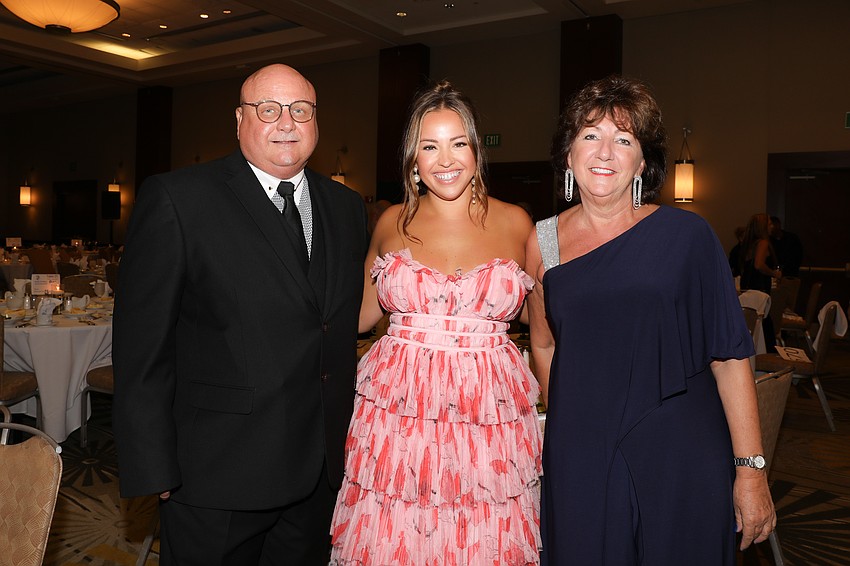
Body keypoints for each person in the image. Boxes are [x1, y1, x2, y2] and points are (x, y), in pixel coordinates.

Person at [112, 64, 369, 564]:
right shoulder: (179, 199)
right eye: (268, 110)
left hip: (317, 471)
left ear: (316, 120)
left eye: (301, 110)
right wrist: (152, 464)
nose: (286, 123)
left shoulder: (345, 206)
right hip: (216, 472)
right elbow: (142, 347)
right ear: (239, 120)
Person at [525, 75, 775, 565]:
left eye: (624, 140)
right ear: (569, 155)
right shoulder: (542, 241)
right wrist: (571, 417)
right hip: (583, 452)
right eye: (590, 136)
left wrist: (750, 469)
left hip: (681, 445)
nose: (605, 152)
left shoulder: (687, 237)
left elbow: (729, 356)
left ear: (642, 162)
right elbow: (545, 344)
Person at [329, 81, 542, 565]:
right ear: (413, 160)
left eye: (458, 143)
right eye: (430, 146)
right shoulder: (390, 223)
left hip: (484, 422)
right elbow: (358, 316)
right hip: (400, 419)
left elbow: (546, 319)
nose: (445, 160)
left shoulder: (518, 224)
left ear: (476, 152)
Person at [740, 213, 782, 352]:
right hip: (760, 287)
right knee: (764, 325)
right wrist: (773, 273)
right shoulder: (763, 243)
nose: (772, 226)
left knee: (753, 323)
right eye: (769, 224)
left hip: (749, 286)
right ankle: (766, 356)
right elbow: (759, 265)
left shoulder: (750, 243)